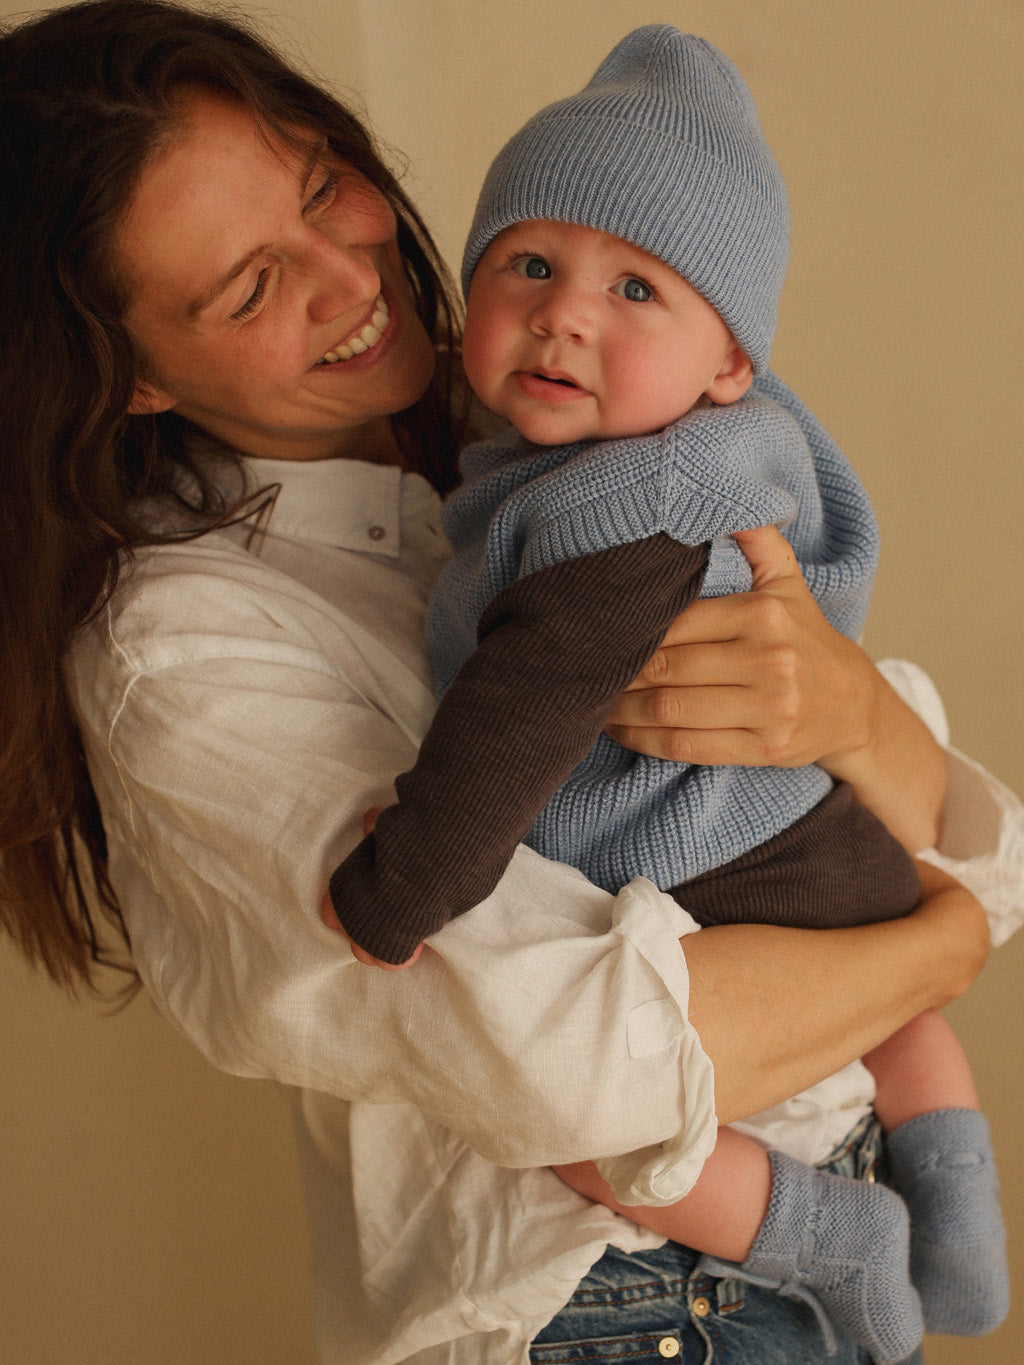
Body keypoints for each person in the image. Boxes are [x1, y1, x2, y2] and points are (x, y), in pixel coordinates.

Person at [0, 3, 1018, 1362]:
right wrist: (937, 943)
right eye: (247, 287)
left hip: (808, 1223)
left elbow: (965, 837)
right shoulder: (179, 649)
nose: (347, 276)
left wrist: (855, 716)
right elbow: (587, 1066)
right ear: (122, 376)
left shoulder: (554, 437)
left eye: (322, 189)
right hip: (607, 1309)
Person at [322, 28, 1006, 1361]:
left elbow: (512, 724)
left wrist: (396, 889)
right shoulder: (701, 452)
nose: (567, 311)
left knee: (580, 1124)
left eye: (638, 288)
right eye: (530, 265)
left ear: (730, 362)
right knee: (899, 1002)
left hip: (720, 856)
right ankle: (960, 1197)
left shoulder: (619, 510)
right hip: (829, 829)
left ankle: (840, 1234)